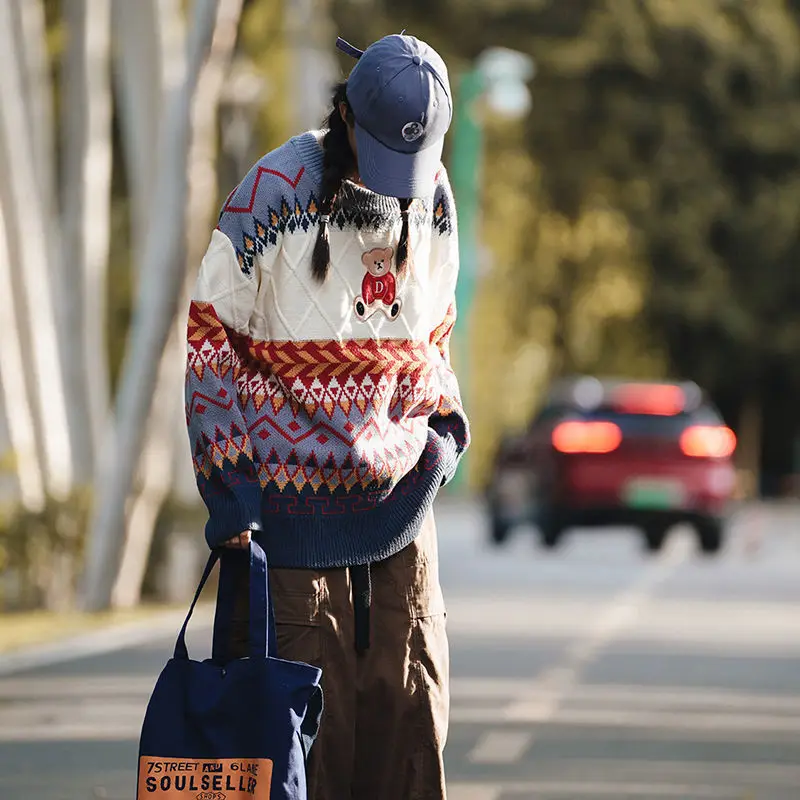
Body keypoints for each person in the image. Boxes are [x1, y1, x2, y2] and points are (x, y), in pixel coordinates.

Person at [185, 31, 469, 800]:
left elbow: (435, 337)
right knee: (307, 755)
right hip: (289, 531)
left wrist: (444, 433)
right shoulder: (271, 194)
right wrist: (230, 490)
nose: (403, 183)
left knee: (412, 739)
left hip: (405, 516)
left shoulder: (434, 196)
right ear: (347, 116)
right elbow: (212, 344)